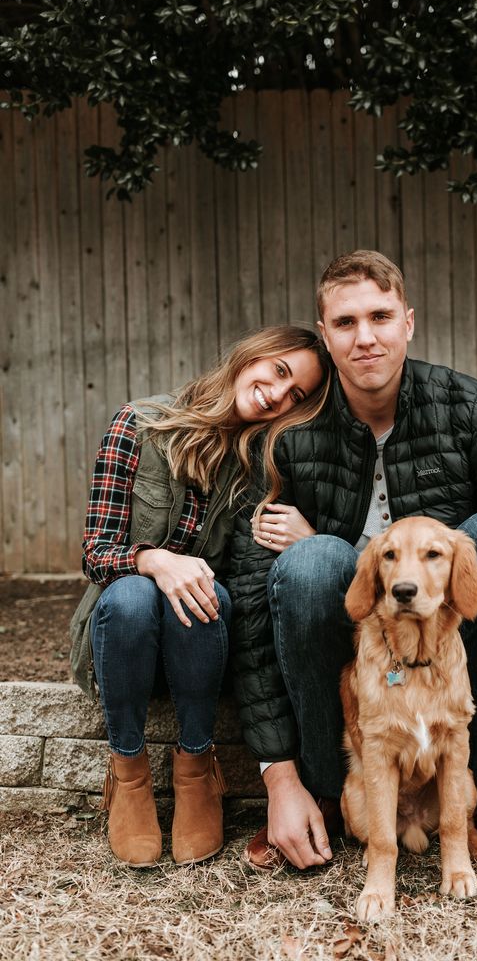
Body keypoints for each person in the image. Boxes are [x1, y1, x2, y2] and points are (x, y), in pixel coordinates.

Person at [227, 251, 477, 881]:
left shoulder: (468, 409)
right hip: (360, 642)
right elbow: (254, 609)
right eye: (345, 323)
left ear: (409, 322)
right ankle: (327, 800)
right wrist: (278, 781)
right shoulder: (290, 436)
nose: (365, 337)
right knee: (310, 566)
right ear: (327, 338)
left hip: (452, 643)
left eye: (380, 316)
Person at [69, 326, 331, 868]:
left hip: (200, 647)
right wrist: (154, 559)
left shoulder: (261, 461)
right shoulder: (137, 425)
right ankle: (128, 773)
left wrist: (312, 539)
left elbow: (252, 577)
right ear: (252, 355)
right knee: (134, 595)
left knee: (207, 589)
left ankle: (196, 769)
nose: (277, 395)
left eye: (295, 397)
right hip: (123, 641)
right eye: (279, 372)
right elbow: (95, 553)